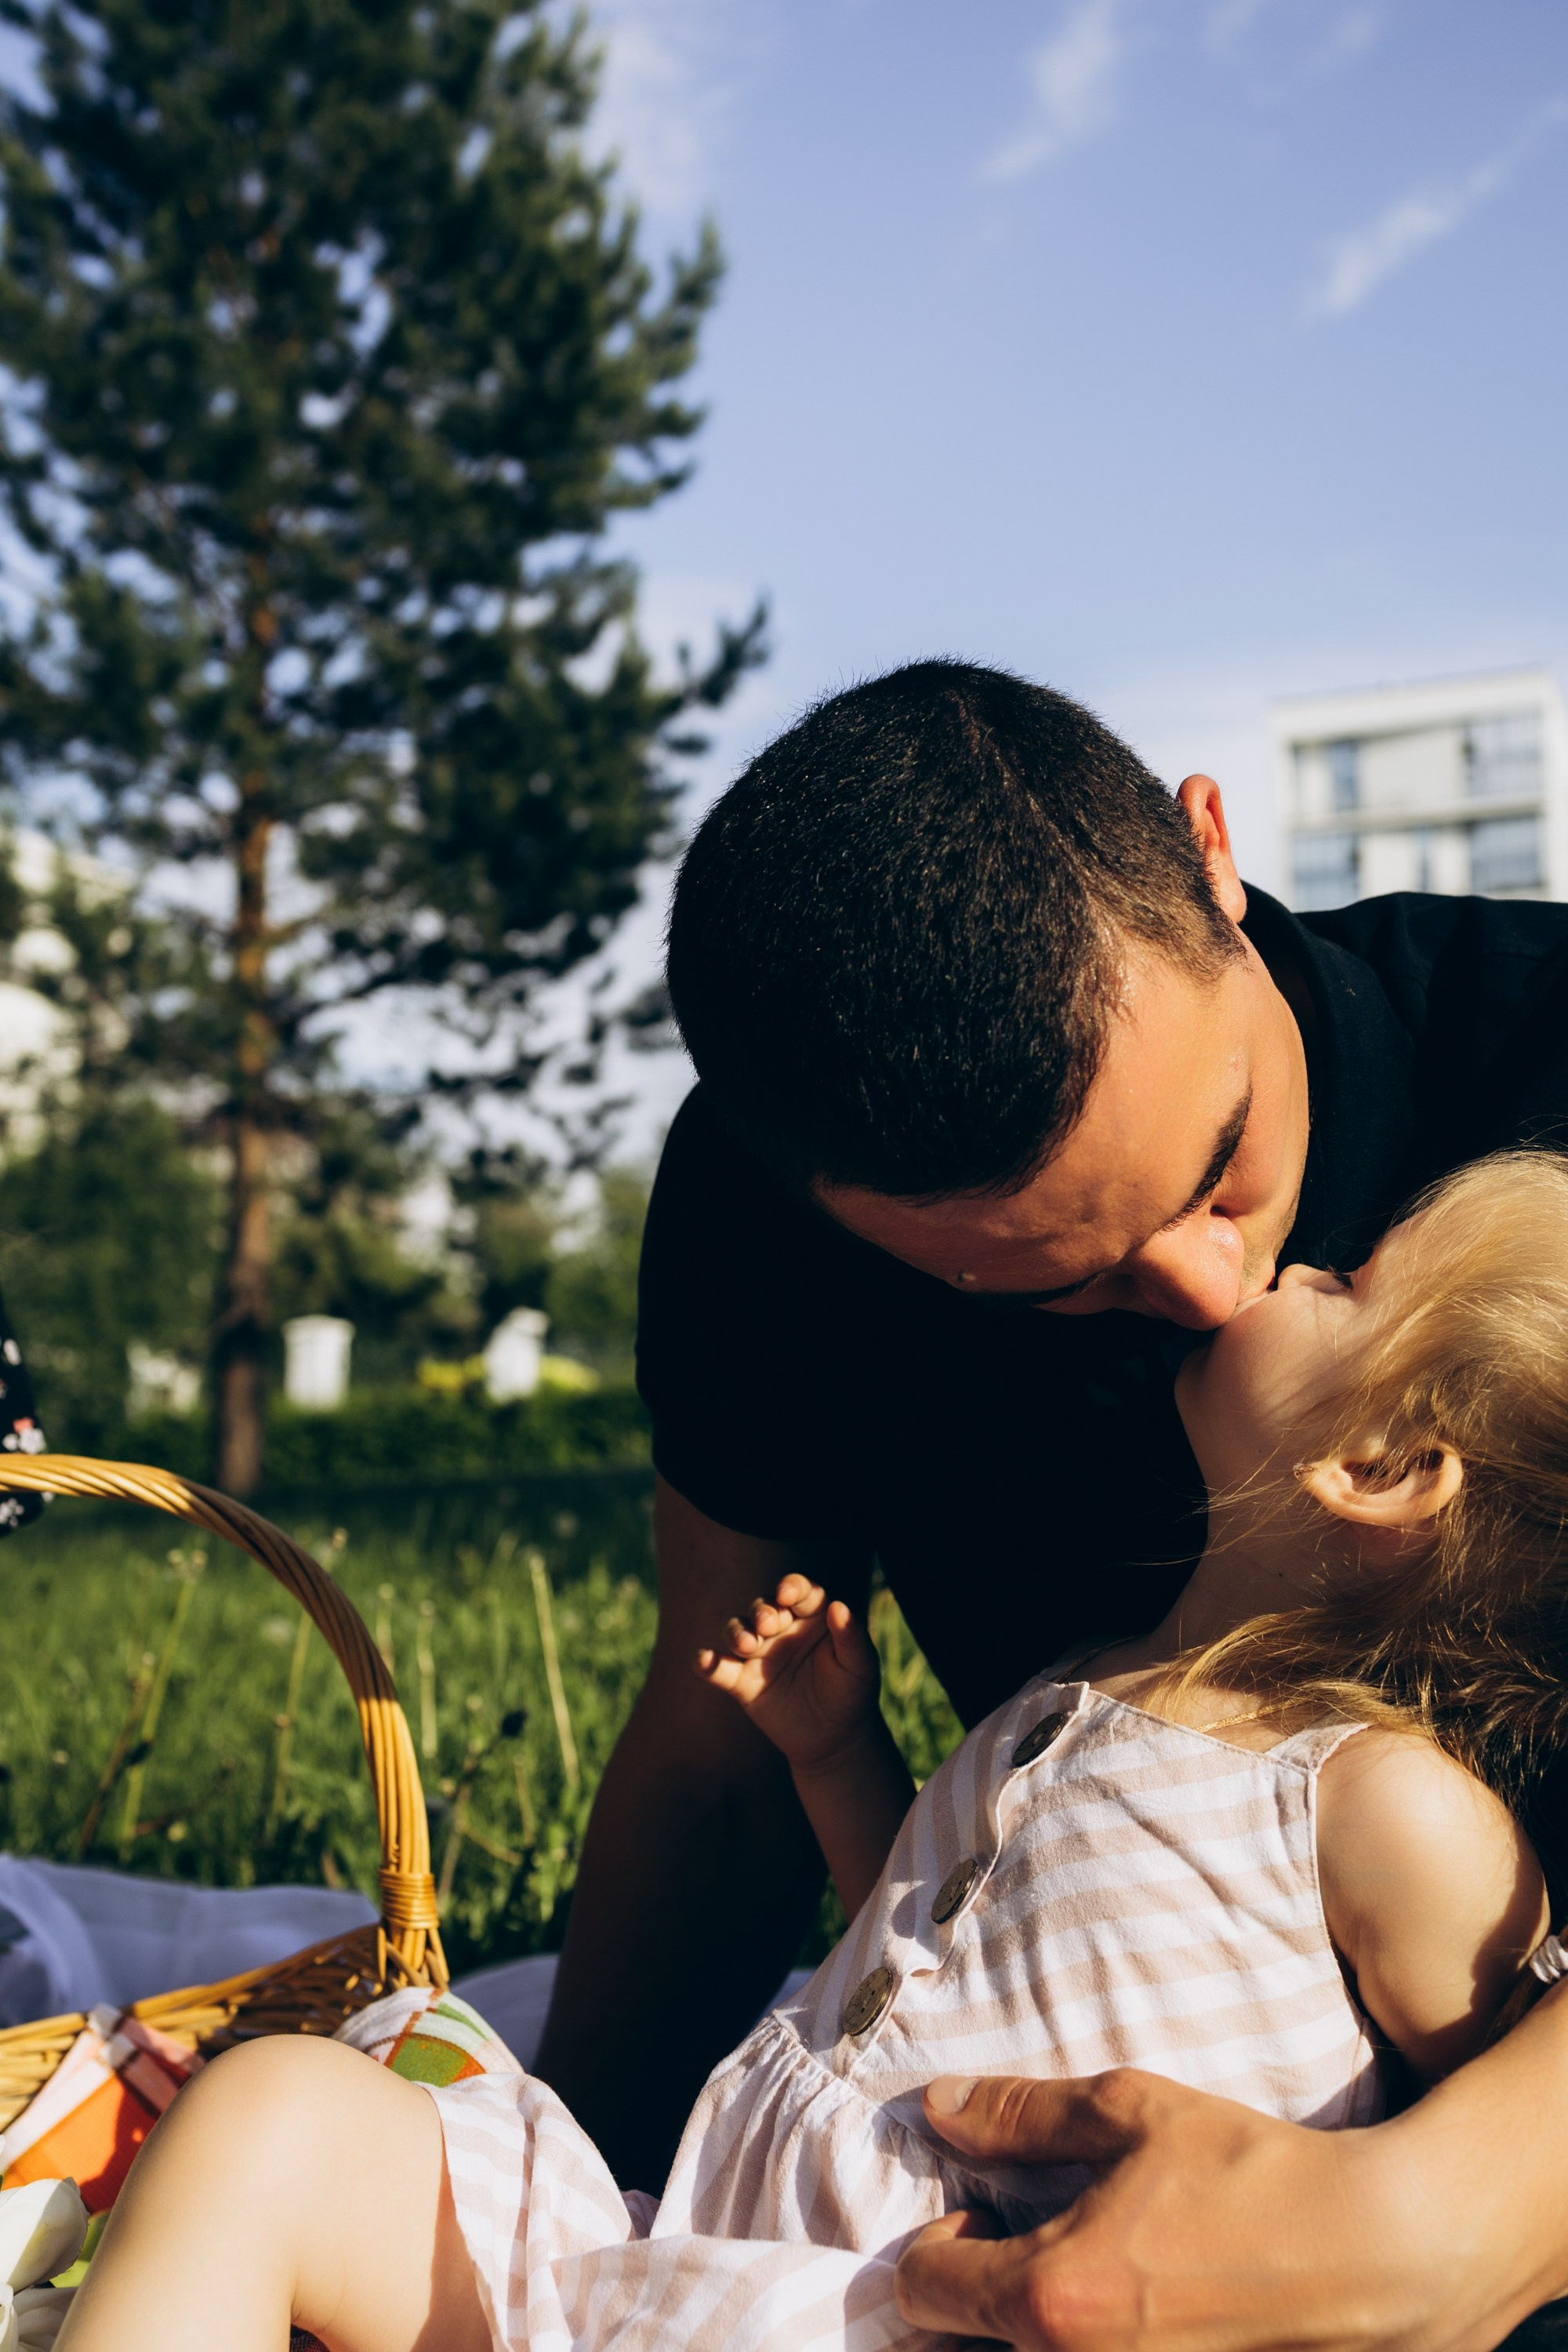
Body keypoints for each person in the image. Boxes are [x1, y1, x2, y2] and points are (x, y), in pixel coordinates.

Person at [55, 1149, 1568, 2351]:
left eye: (1352, 1282)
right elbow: (908, 1952)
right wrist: (840, 1758)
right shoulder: (1095, 1677)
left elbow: (1508, 2107)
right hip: (669, 2260)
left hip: (916, 2311)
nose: (1301, 1262)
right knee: (275, 2116)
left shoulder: (1382, 1807)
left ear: (1378, 1470)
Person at [528, 657, 1568, 2348]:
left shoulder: (1538, 1062)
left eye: (1224, 1159)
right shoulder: (760, 1229)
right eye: (1051, 1290)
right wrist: (555, 2213)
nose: (1213, 1291)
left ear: (1208, 857)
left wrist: (1461, 2220)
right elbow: (719, 1778)